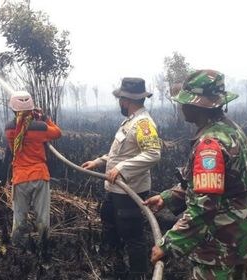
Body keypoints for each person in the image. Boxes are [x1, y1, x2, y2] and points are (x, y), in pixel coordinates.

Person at [144, 70, 247, 280]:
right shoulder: (231, 130)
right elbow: (217, 184)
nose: (181, 107)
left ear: (196, 105)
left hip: (220, 247)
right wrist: (167, 197)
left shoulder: (210, 144)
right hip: (239, 239)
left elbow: (204, 205)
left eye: (184, 102)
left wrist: (169, 244)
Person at [82, 78, 161, 279]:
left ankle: (138, 275)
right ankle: (116, 269)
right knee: (110, 224)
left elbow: (153, 153)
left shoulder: (143, 124)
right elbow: (122, 153)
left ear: (125, 100)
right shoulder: (130, 121)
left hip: (130, 191)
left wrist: (122, 168)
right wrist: (99, 161)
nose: (120, 103)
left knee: (133, 236)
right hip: (115, 189)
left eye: (121, 99)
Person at [4, 91, 61, 249]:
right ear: (31, 108)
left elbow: (21, 129)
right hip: (40, 176)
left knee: (19, 218)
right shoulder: (40, 127)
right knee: (42, 218)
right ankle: (43, 249)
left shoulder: (9, 129)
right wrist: (45, 118)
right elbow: (57, 132)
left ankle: (16, 250)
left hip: (20, 178)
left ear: (13, 109)